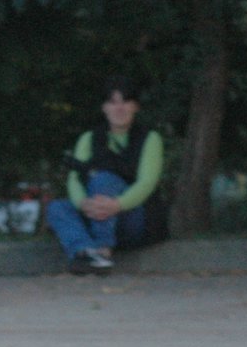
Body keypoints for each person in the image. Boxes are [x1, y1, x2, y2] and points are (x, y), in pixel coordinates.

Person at [44, 76, 166, 276]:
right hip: (93, 212)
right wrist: (83, 203)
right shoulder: (88, 139)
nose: (119, 108)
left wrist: (117, 205)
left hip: (133, 217)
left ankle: (103, 250)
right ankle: (85, 252)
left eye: (125, 102)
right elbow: (75, 178)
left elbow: (147, 183)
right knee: (58, 208)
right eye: (112, 102)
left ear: (135, 106)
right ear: (104, 108)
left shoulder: (150, 139)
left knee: (104, 180)